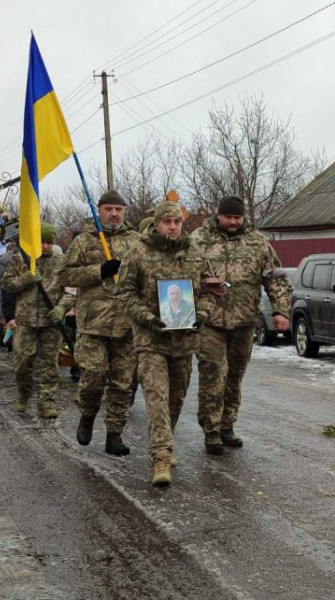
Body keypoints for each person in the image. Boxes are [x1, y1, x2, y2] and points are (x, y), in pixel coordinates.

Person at [118, 201, 216, 487]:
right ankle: (161, 456)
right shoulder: (138, 253)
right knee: (156, 398)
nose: (172, 227)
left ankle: (166, 440)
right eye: (167, 222)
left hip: (184, 340)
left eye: (177, 222)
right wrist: (146, 317)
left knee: (176, 398)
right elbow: (125, 294)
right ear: (157, 224)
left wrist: (203, 313)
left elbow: (211, 290)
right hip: (151, 339)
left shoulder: (196, 255)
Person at [191, 195, 291, 454]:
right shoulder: (199, 239)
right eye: (229, 217)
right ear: (218, 215)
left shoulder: (257, 242)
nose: (233, 221)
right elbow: (182, 274)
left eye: (238, 217)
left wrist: (281, 310)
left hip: (244, 321)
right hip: (209, 320)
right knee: (213, 374)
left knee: (234, 376)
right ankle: (211, 430)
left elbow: (274, 279)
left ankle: (227, 425)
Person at [57, 190, 142, 455]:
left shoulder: (137, 241)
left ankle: (114, 434)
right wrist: (99, 271)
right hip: (94, 324)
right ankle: (87, 415)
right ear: (100, 210)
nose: (114, 214)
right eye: (109, 209)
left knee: (122, 384)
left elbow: (149, 275)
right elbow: (64, 275)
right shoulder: (85, 241)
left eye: (119, 209)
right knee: (92, 378)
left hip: (127, 326)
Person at [2, 223, 75, 418]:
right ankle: (23, 395)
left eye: (49, 242)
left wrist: (62, 307)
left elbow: (71, 289)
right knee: (23, 363)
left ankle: (46, 402)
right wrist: (25, 279)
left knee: (49, 364)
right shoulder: (20, 259)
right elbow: (7, 285)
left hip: (51, 321)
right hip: (25, 321)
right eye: (42, 242)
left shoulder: (62, 261)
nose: (45, 246)